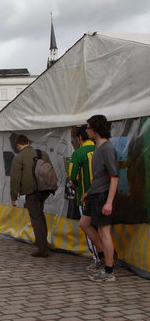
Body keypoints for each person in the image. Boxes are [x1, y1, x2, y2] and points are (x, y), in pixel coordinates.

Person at [80, 115, 119, 282]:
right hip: (95, 193)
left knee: (104, 231)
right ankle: (104, 256)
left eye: (88, 127)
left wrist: (109, 202)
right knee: (84, 224)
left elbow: (114, 177)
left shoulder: (107, 149)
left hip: (103, 195)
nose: (87, 130)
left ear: (96, 129)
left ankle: (109, 270)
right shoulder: (98, 147)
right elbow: (99, 176)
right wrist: (89, 191)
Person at [10, 135, 52, 257]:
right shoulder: (42, 153)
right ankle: (44, 242)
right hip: (45, 189)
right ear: (28, 142)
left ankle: (42, 248)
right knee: (40, 215)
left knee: (36, 218)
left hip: (31, 191)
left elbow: (15, 179)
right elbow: (50, 169)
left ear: (18, 145)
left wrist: (14, 197)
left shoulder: (19, 157)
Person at [68, 126, 103, 270]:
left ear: (80, 138)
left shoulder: (79, 153)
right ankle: (108, 255)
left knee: (88, 228)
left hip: (85, 197)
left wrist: (75, 185)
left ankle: (97, 258)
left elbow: (72, 175)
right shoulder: (100, 149)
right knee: (102, 228)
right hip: (103, 195)